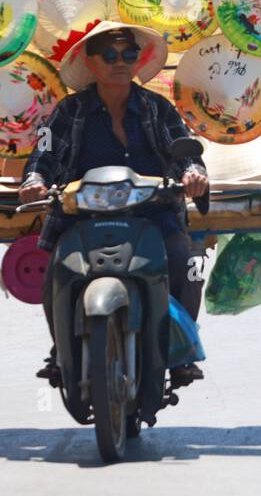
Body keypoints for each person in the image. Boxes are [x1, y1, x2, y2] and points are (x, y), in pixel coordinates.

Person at [18, 22, 209, 385]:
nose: (119, 62)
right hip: (81, 220)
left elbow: (184, 148)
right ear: (90, 63)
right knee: (55, 277)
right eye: (108, 55)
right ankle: (62, 351)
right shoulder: (66, 111)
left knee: (189, 265)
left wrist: (193, 173)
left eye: (128, 54)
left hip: (153, 217)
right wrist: (35, 180)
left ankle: (180, 352)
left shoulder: (158, 108)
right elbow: (41, 153)